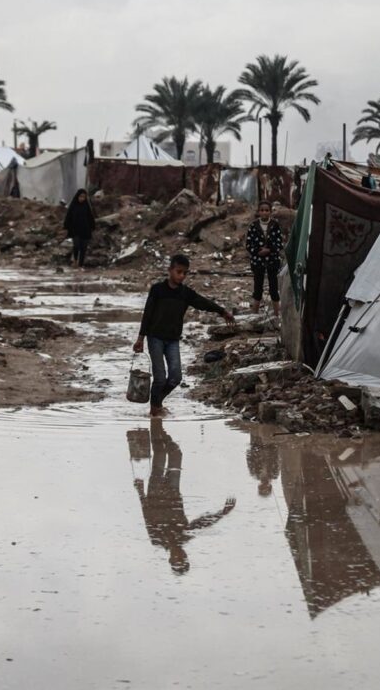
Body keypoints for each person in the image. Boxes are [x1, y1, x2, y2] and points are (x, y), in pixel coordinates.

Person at [133, 254, 235, 417]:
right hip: (155, 338)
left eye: (184, 273)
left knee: (175, 377)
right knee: (160, 378)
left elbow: (203, 303)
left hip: (173, 340)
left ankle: (157, 403)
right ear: (170, 270)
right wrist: (140, 338)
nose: (181, 276)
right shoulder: (157, 290)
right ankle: (155, 410)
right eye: (178, 272)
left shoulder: (185, 293)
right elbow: (148, 314)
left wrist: (222, 311)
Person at [133, 416, 235, 575]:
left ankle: (156, 424)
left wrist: (140, 491)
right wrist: (222, 513)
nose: (180, 554)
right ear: (186, 555)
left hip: (155, 493)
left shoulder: (157, 539)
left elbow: (147, 516)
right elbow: (202, 523)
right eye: (182, 557)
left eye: (177, 558)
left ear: (171, 559)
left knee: (160, 453)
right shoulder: (184, 536)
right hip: (173, 492)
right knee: (176, 453)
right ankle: (160, 429)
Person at [244, 200, 284, 316]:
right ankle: (254, 314)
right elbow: (249, 244)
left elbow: (279, 243)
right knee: (258, 287)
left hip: (272, 260)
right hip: (258, 261)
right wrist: (257, 252)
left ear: (270, 212)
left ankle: (277, 314)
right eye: (262, 210)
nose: (264, 213)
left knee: (273, 287)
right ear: (258, 212)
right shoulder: (253, 226)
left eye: (267, 210)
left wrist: (270, 250)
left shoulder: (275, 225)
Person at [63, 188, 96, 267]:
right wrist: (66, 226)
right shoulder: (73, 206)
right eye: (80, 196)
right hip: (75, 230)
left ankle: (80, 264)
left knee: (83, 248)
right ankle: (75, 260)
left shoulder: (86, 206)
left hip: (85, 230)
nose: (82, 198)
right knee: (76, 245)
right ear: (77, 196)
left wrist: (92, 226)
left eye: (83, 197)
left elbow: (90, 217)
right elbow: (68, 216)